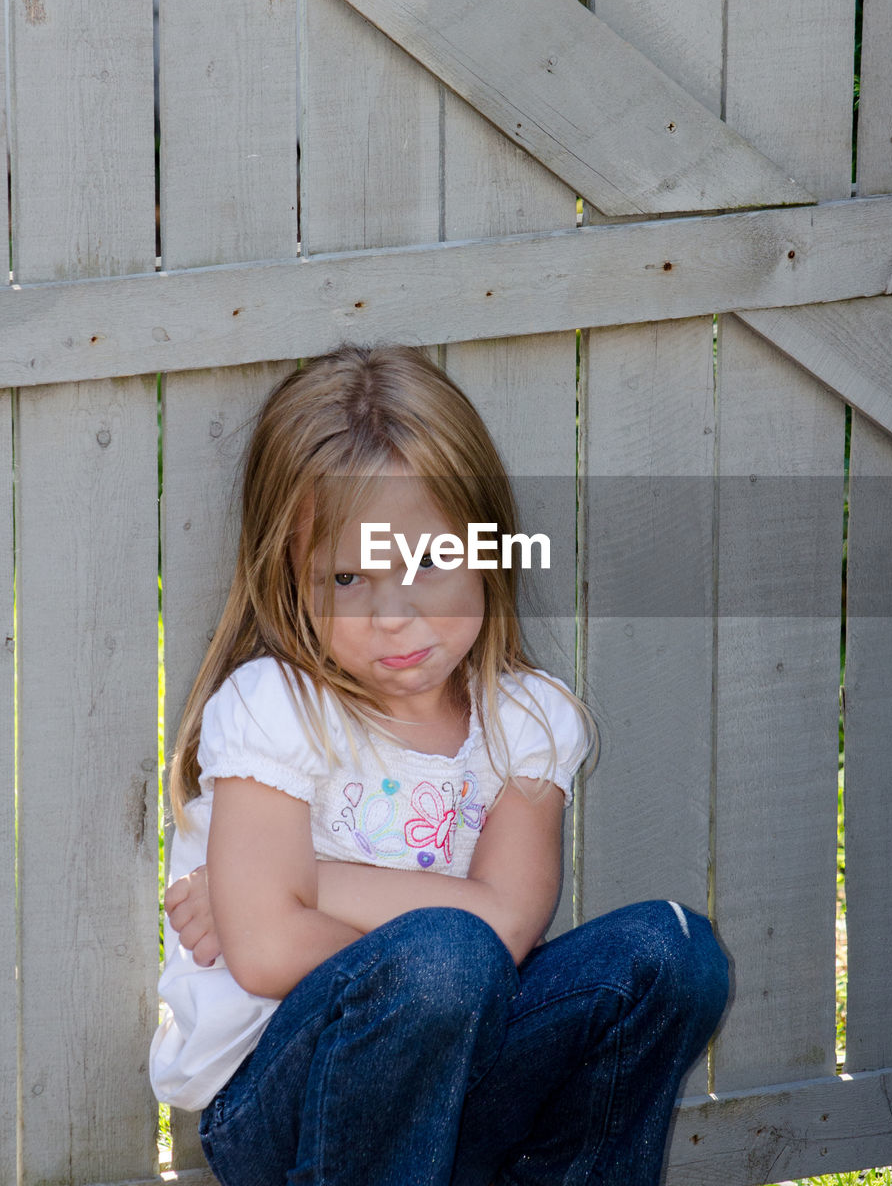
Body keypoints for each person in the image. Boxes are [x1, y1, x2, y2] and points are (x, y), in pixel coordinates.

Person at [150, 343, 729, 1186]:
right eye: (346, 576)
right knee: (440, 959)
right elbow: (269, 952)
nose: (394, 614)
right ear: (290, 578)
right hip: (285, 1103)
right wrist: (398, 932)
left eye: (427, 562)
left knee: (672, 956)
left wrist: (308, 877)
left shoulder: (525, 721)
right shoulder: (274, 706)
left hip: (464, 1081)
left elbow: (508, 930)